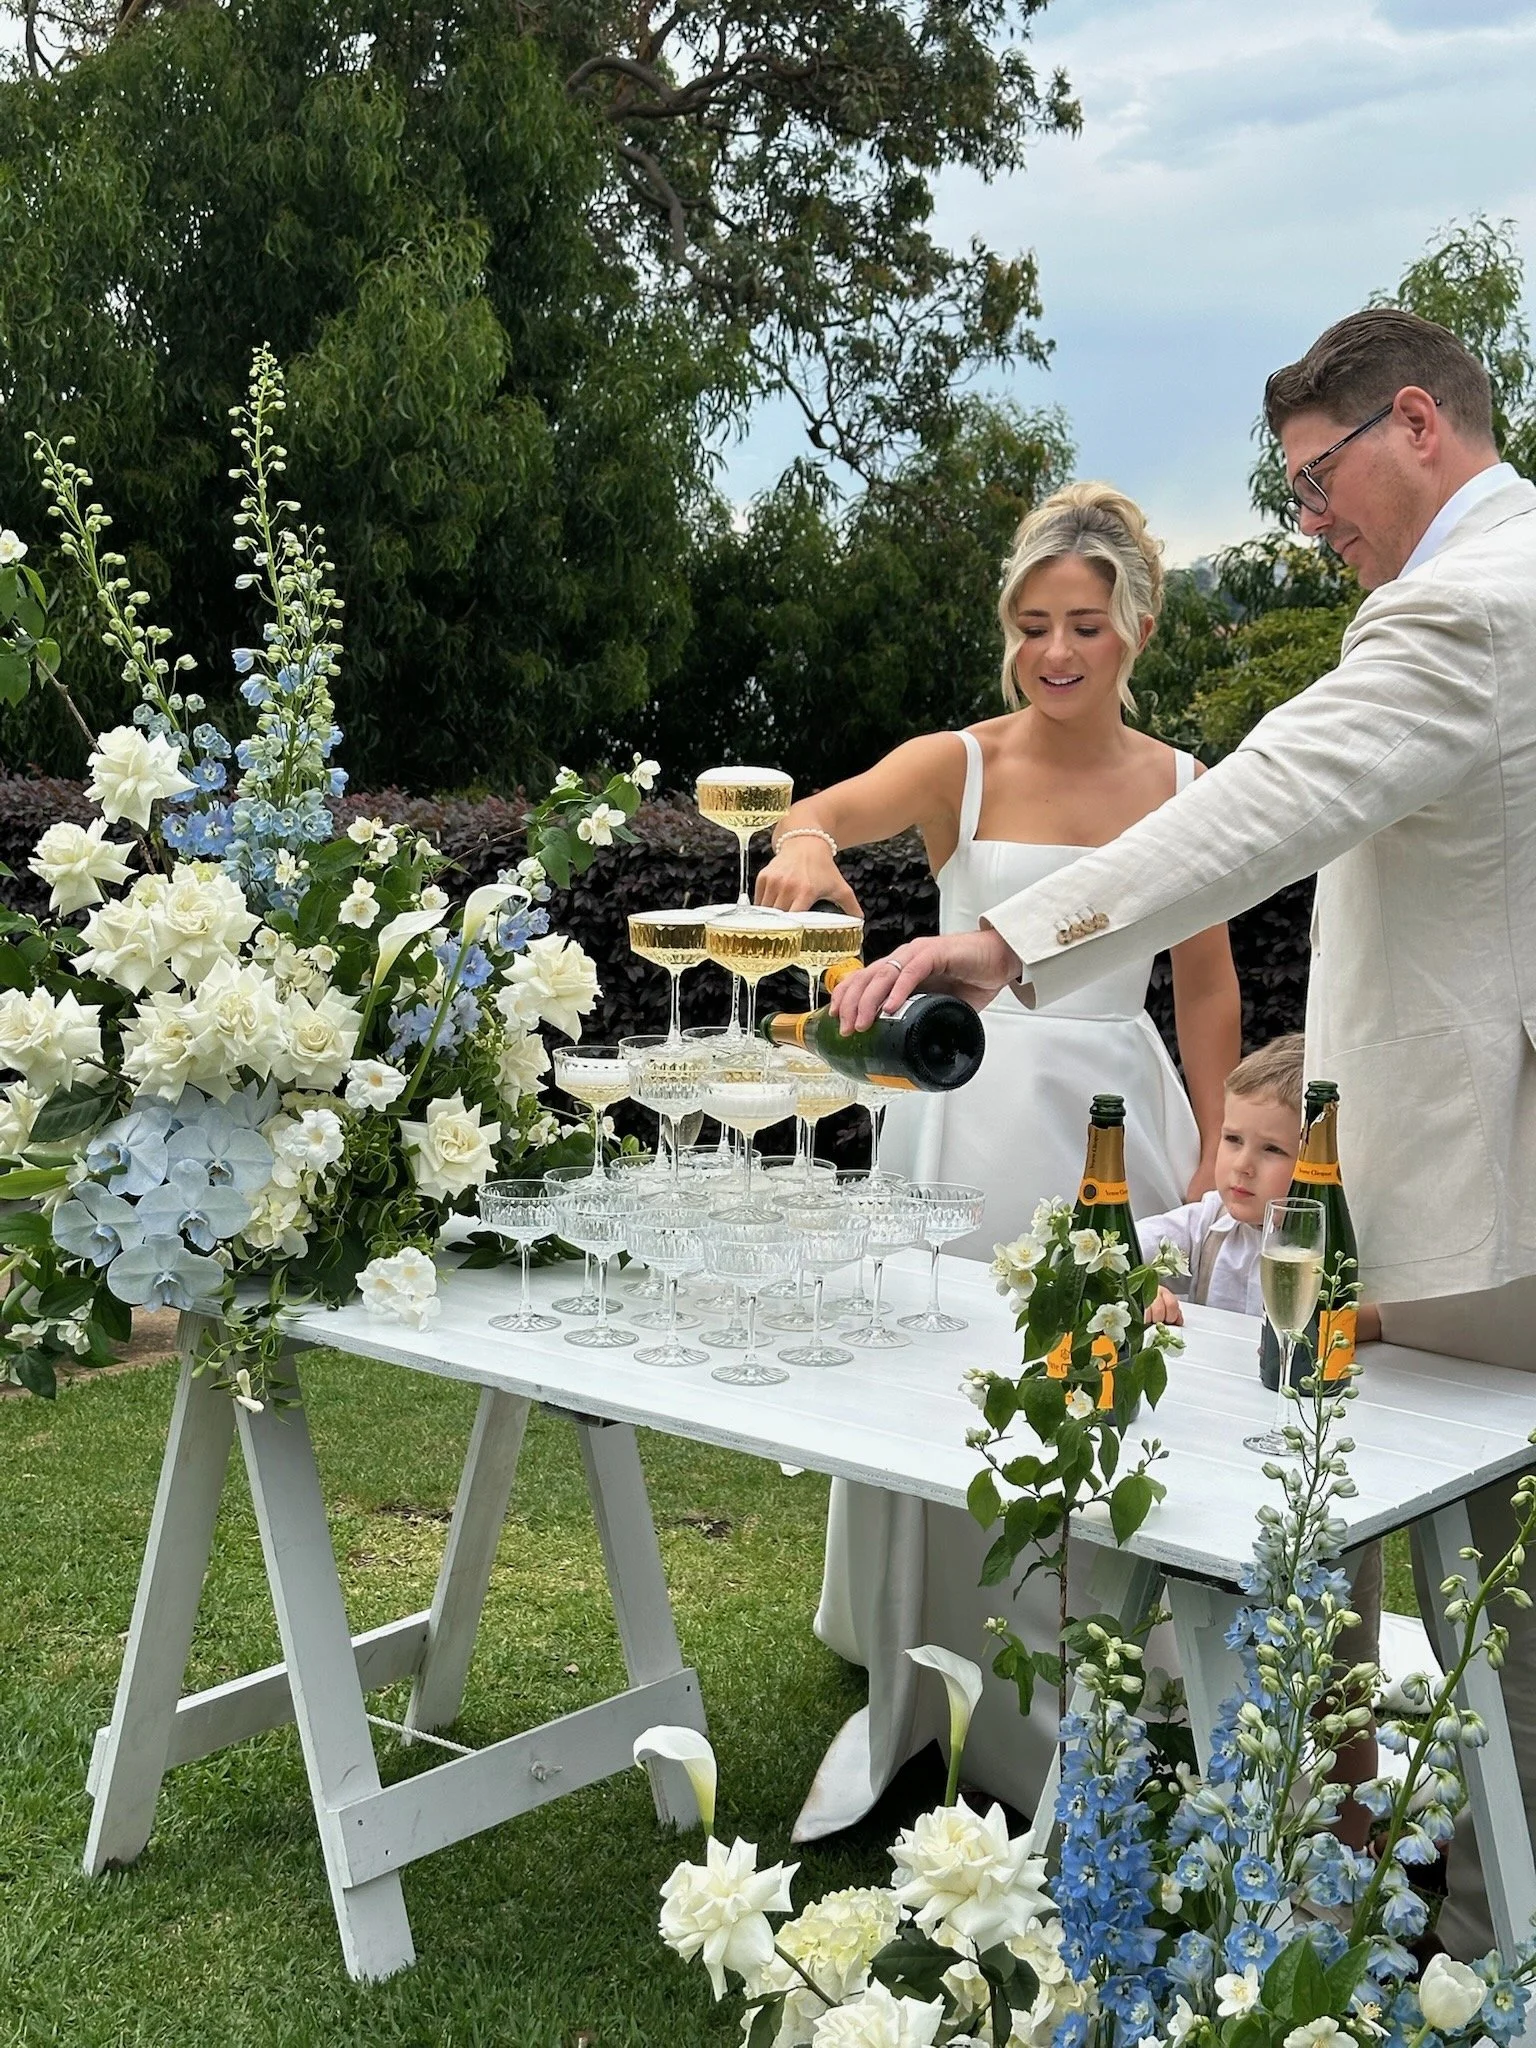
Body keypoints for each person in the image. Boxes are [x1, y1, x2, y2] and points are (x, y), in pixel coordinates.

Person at [828, 308, 1536, 1953]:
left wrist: (1001, 942)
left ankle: (1413, 1930)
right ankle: (1412, 1900)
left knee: (1390, 1550)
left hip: (1467, 1185)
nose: (1311, 522)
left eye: (1315, 480)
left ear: (1416, 423)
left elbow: (1258, 805)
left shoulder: (1465, 610)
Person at [767, 482, 1242, 1842]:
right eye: (1034, 625)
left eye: (1083, 625)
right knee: (934, 1368)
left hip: (1110, 1116)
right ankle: (920, 1649)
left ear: (1134, 629)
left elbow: (1204, 993)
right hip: (957, 1110)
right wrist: (808, 854)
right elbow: (819, 813)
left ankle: (1102, 1654)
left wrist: (1214, 1161)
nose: (1055, 652)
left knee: (1096, 1376)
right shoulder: (959, 764)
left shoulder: (1186, 788)